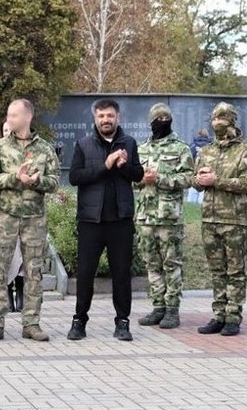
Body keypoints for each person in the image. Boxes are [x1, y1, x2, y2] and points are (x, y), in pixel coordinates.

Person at [0, 99, 60, 343]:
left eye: (13, 115)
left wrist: (37, 181)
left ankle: (31, 323)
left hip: (34, 219)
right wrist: (15, 177)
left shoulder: (45, 149)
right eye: (8, 115)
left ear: (27, 117)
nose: (9, 119)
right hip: (6, 217)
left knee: (34, 270)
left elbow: (55, 181)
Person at [66, 99, 144, 342]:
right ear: (95, 119)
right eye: (101, 116)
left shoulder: (128, 143)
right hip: (91, 220)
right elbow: (75, 177)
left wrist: (122, 167)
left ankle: (122, 322)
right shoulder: (83, 144)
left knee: (121, 273)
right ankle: (79, 321)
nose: (105, 120)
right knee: (86, 273)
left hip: (120, 220)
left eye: (109, 116)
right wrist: (105, 165)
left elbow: (138, 174)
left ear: (117, 118)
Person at [192, 102, 247, 336]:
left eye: (221, 119)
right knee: (217, 270)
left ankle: (233, 316)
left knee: (235, 271)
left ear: (231, 120)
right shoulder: (207, 150)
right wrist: (199, 180)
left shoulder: (245, 152)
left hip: (234, 221)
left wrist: (217, 180)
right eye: (214, 119)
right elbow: (195, 181)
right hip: (210, 220)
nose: (216, 123)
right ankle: (218, 315)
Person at [135, 102, 194, 329]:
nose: (161, 122)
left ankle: (172, 309)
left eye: (165, 118)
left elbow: (189, 178)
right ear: (150, 122)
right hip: (145, 217)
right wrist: (141, 179)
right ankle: (158, 306)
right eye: (157, 119)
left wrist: (160, 178)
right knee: (151, 264)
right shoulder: (141, 149)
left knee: (171, 263)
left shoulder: (181, 148)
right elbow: (132, 178)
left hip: (169, 218)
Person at [0, 120, 25, 312]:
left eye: (11, 129)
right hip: (2, 214)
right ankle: (8, 295)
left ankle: (21, 293)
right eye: (5, 130)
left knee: (21, 256)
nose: (8, 132)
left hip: (25, 214)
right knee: (4, 258)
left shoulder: (27, 152)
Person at [188, 128, 212, 204]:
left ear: (199, 135)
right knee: (203, 194)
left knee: (192, 192)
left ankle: (191, 207)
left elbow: (188, 158)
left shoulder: (193, 145)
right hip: (206, 173)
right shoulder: (211, 146)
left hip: (194, 172)